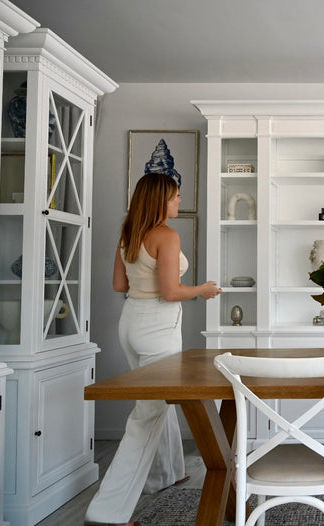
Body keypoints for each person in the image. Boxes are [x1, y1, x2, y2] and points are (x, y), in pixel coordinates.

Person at [84, 172, 222, 526]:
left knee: (157, 401)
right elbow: (171, 292)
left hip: (130, 323)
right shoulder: (167, 236)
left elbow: (119, 283)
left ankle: (168, 473)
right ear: (161, 200)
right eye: (176, 196)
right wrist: (202, 289)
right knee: (148, 414)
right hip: (158, 327)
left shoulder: (129, 233)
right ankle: (107, 514)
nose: (179, 201)